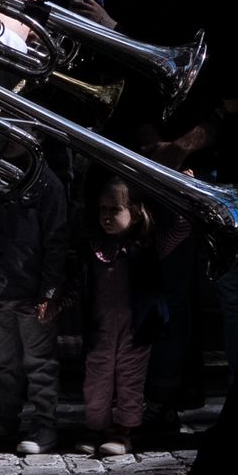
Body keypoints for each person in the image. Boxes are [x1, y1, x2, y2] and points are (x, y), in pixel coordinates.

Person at [0, 152, 70, 455]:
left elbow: (56, 240)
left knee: (39, 362)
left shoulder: (47, 185)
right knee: (4, 364)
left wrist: (49, 292)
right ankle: (5, 418)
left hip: (31, 293)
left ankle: (44, 423)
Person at [74, 175, 186, 457]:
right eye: (103, 209)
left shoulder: (147, 247)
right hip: (101, 329)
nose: (106, 216)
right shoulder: (92, 247)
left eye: (115, 209)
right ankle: (95, 428)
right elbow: (78, 286)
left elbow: (180, 230)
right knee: (96, 380)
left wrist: (182, 192)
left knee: (130, 380)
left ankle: (124, 431)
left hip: (136, 331)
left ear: (135, 213)